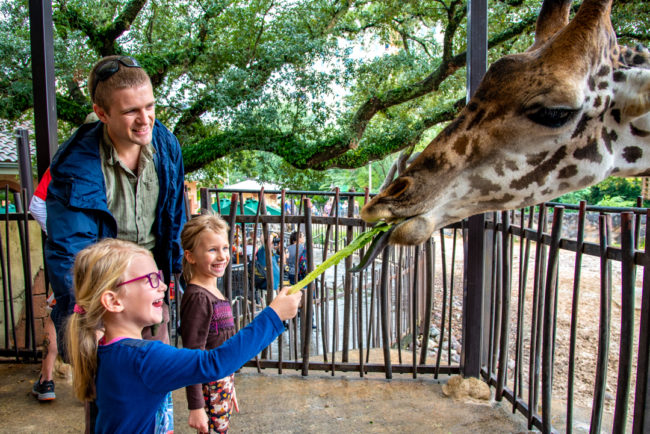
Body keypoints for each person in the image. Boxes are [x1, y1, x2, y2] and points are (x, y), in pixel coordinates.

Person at [66, 238, 301, 433]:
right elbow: (214, 363)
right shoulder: (143, 358)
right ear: (113, 301)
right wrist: (274, 315)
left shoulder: (105, 345)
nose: (161, 286)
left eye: (159, 277)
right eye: (150, 280)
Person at [45, 55, 186, 359]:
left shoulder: (166, 146)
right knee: (109, 393)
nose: (145, 119)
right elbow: (69, 250)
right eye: (131, 111)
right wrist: (86, 315)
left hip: (151, 290)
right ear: (101, 113)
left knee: (157, 380)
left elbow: (175, 220)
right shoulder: (74, 167)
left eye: (149, 106)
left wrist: (181, 281)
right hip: (106, 298)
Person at [179, 214, 238, 433]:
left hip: (221, 383)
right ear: (191, 256)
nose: (222, 256)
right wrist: (196, 406)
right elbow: (193, 356)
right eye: (212, 250)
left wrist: (230, 386)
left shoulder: (212, 290)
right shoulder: (198, 297)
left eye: (225, 248)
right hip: (209, 387)